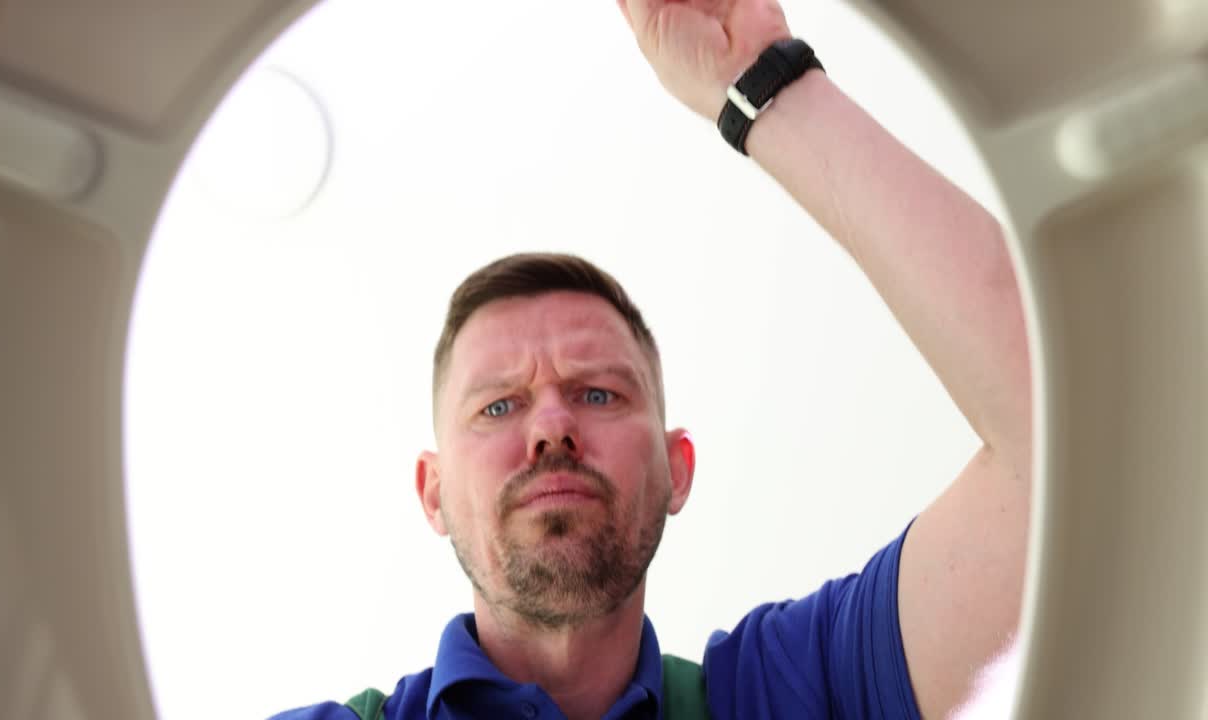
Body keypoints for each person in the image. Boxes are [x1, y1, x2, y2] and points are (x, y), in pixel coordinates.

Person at [273, 0, 1031, 718]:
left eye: (598, 394)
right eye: (498, 405)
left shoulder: (794, 690)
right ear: (431, 493)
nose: (551, 430)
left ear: (679, 469)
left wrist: (766, 79)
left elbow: (1060, 432)